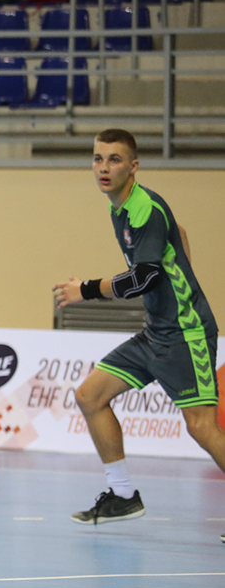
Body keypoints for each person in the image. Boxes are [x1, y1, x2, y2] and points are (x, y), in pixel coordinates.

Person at [54, 129, 222, 531]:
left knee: (201, 427)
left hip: (186, 332)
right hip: (157, 331)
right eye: (98, 159)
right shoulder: (121, 206)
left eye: (114, 160)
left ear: (134, 166)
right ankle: (124, 495)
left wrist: (86, 290)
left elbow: (143, 277)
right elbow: (178, 233)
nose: (103, 168)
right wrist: (180, 267)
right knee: (90, 395)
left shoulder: (143, 207)